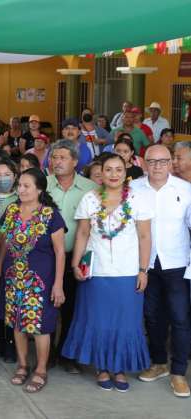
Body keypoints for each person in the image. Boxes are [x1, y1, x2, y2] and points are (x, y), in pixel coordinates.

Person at [62, 152, 153, 392]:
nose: (113, 174)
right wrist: (75, 265)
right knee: (99, 321)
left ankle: (120, 368)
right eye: (109, 170)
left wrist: (143, 270)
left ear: (126, 174)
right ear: (101, 173)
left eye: (119, 170)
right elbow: (82, 233)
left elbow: (145, 236)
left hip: (127, 271)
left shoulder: (136, 199)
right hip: (97, 272)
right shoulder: (90, 199)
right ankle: (102, 368)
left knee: (126, 322)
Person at [0, 168, 66, 393]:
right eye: (20, 185)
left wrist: (58, 284)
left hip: (40, 280)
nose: (21, 190)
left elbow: (60, 252)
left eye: (27, 186)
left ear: (39, 189)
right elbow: (4, 242)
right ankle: (23, 365)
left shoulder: (50, 215)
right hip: (13, 277)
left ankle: (41, 370)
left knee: (40, 327)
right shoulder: (11, 210)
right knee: (17, 322)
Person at [131, 145, 191, 397]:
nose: (157, 166)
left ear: (170, 164)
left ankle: (179, 372)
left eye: (163, 161)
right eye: (152, 161)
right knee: (152, 316)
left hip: (177, 263)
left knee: (179, 318)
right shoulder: (133, 189)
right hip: (145, 264)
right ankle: (159, 363)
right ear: (144, 163)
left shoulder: (185, 190)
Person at [45, 139, 97, 373]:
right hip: (46, 257)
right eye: (54, 157)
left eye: (62, 157)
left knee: (73, 308)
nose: (57, 161)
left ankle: (67, 353)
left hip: (76, 256)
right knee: (47, 306)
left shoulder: (89, 188)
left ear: (75, 161)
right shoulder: (42, 185)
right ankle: (47, 354)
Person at [0, 159, 19, 361]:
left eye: (7, 174)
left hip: (14, 258)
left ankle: (11, 342)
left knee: (11, 300)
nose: (2, 179)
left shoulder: (20, 198)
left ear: (15, 176)